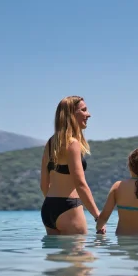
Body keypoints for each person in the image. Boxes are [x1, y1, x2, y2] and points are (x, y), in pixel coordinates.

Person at [40, 96, 104, 235]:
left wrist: (54, 205)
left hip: (48, 208)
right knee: (82, 256)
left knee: (58, 256)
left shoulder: (51, 143)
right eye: (84, 110)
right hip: (69, 207)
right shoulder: (73, 143)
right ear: (72, 114)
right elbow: (80, 184)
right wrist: (98, 217)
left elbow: (44, 184)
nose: (89, 114)